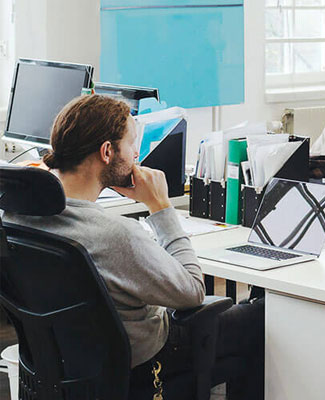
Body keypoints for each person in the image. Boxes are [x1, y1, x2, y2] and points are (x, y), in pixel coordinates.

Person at [4, 95, 263, 399]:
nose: (137, 154)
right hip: (146, 361)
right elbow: (193, 291)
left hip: (65, 362)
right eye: (132, 145)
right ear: (107, 151)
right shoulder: (114, 235)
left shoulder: (15, 215)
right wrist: (160, 206)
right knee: (262, 316)